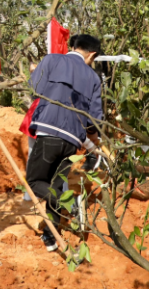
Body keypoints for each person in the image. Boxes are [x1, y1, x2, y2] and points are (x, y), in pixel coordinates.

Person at [25, 33, 104, 252]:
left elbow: (34, 90)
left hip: (49, 131)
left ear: (73, 47)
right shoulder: (93, 78)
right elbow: (95, 118)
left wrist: (36, 73)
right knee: (55, 184)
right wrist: (93, 142)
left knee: (34, 182)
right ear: (92, 54)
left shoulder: (51, 60)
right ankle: (51, 236)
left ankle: (70, 203)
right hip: (72, 141)